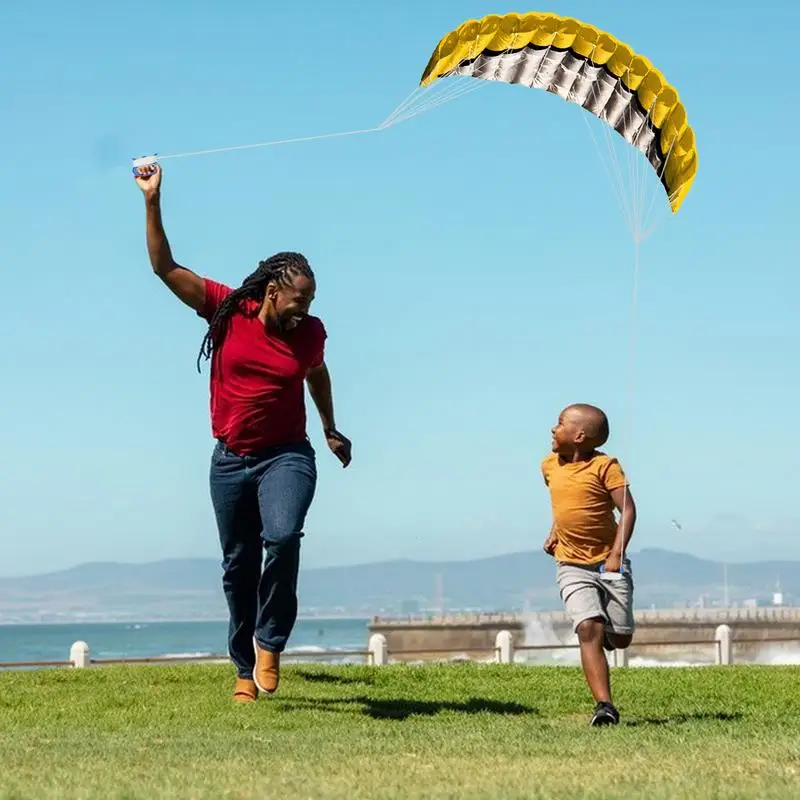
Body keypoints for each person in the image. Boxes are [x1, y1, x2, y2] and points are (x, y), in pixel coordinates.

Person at [134, 162, 352, 703]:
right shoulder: (227, 309)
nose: (307, 310)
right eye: (300, 300)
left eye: (313, 301)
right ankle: (241, 669)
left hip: (287, 456)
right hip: (230, 459)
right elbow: (165, 267)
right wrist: (152, 200)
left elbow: (316, 372)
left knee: (281, 537)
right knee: (238, 566)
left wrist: (329, 427)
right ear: (275, 292)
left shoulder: (312, 334)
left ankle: (270, 642)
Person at [541, 403, 636, 726]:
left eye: (559, 423)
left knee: (621, 639)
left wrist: (615, 555)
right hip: (570, 563)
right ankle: (605, 706)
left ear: (579, 435)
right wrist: (555, 532)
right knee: (587, 627)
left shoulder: (606, 467)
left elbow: (628, 511)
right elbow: (567, 507)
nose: (553, 429)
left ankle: (612, 634)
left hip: (609, 564)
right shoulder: (549, 466)